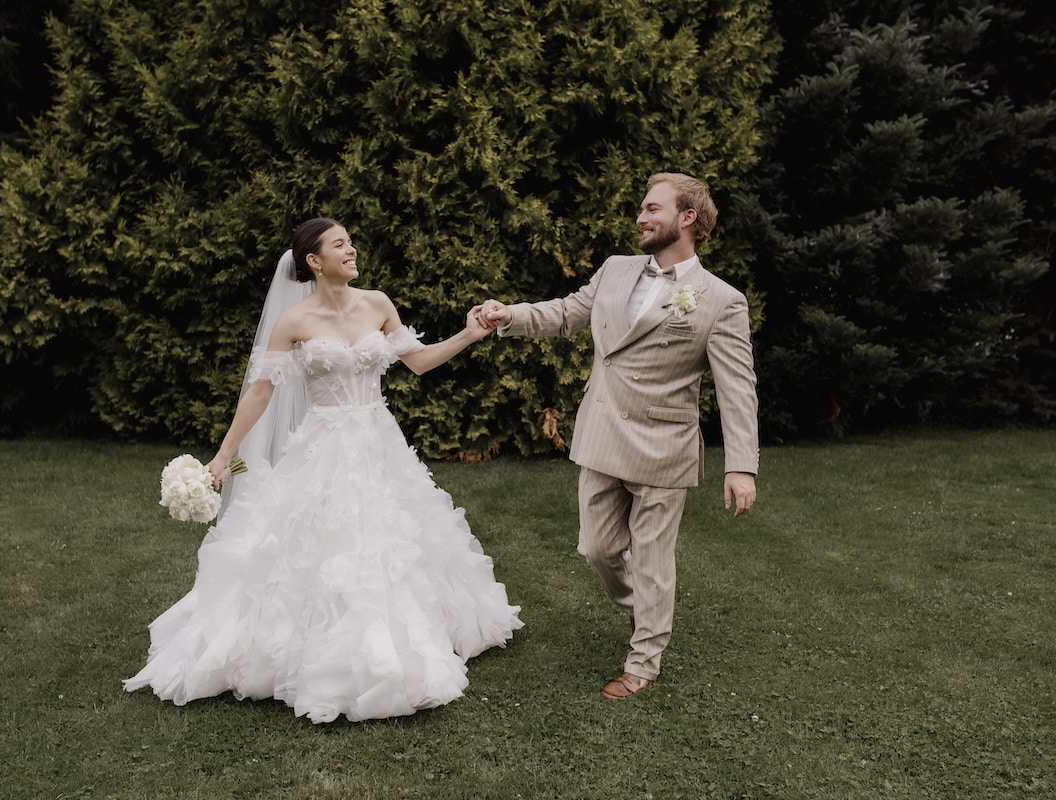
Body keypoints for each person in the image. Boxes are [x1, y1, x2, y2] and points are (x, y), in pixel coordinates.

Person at [125, 217, 522, 724]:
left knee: (393, 541)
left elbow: (418, 361)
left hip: (377, 439)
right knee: (319, 547)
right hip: (323, 444)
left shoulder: (378, 303)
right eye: (341, 244)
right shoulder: (293, 321)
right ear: (314, 261)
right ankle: (325, 651)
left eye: (351, 242)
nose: (352, 249)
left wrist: (469, 334)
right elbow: (261, 392)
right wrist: (223, 457)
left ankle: (406, 636)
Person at [479, 172, 758, 700]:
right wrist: (506, 316)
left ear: (688, 218)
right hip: (603, 434)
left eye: (653, 209)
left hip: (664, 448)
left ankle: (644, 660)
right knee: (598, 549)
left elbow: (737, 388)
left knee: (653, 559)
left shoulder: (721, 300)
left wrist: (741, 465)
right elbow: (565, 314)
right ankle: (650, 612)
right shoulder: (615, 270)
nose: (641, 217)